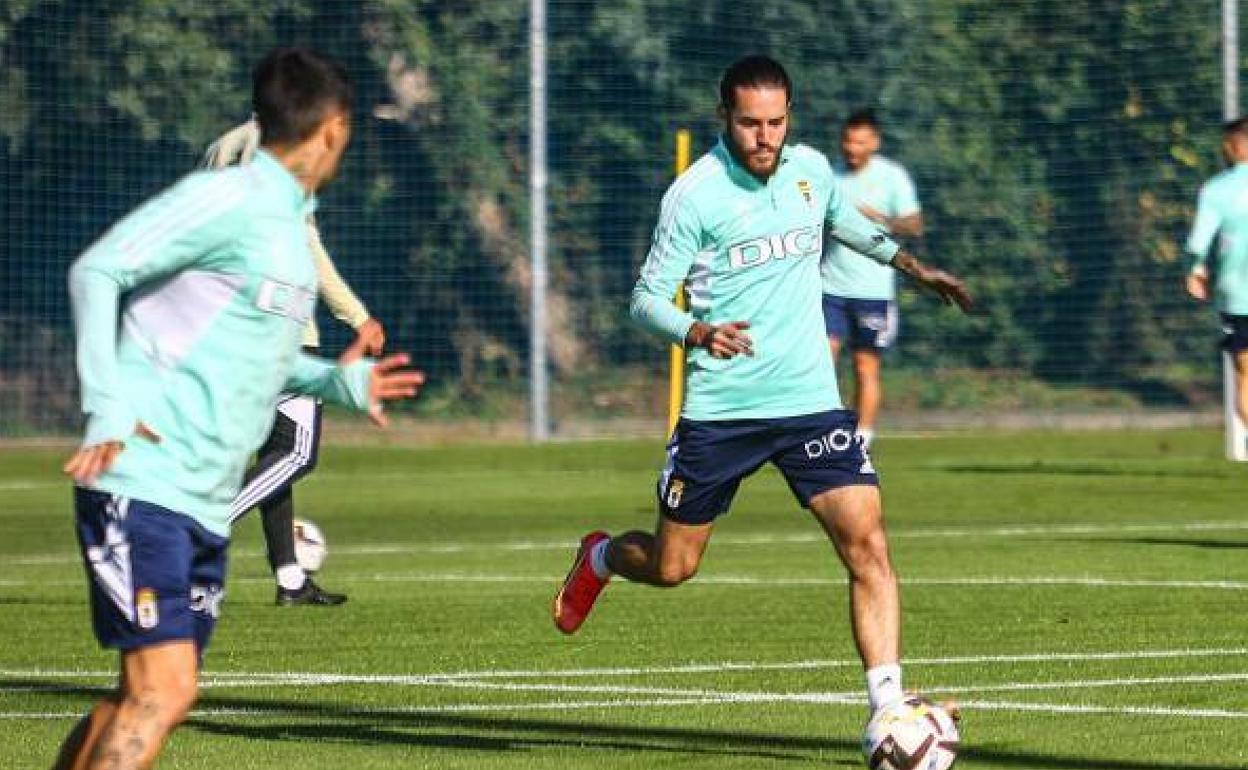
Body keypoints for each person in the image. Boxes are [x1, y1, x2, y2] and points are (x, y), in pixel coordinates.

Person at [552, 55, 972, 722]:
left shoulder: (810, 170)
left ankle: (888, 706)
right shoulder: (694, 196)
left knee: (868, 543)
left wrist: (914, 269)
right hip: (723, 411)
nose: (765, 137)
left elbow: (847, 221)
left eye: (776, 122)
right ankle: (601, 556)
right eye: (750, 123)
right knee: (672, 567)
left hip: (809, 403)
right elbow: (644, 299)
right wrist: (696, 332)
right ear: (725, 119)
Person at [54, 47, 424, 770]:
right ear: (333, 131)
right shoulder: (230, 196)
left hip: (200, 494)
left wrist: (338, 384)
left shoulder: (287, 228)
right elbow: (96, 269)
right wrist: (105, 408)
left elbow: (257, 351)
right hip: (144, 480)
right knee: (163, 691)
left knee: (142, 694)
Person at [203, 118, 386, 606]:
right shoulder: (283, 155)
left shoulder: (224, 147)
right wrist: (358, 317)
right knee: (299, 451)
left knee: (274, 455)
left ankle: (290, 579)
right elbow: (308, 248)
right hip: (279, 327)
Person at [820, 109, 923, 449]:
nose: (852, 148)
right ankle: (820, 432)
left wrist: (879, 218)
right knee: (821, 360)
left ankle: (860, 441)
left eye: (860, 142)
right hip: (829, 287)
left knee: (865, 368)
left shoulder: (892, 177)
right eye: (847, 141)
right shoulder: (829, 175)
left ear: (874, 143)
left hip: (873, 291)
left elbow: (914, 225)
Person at [1186, 116, 1248, 431]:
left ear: (1232, 146)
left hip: (1237, 293)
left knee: (1246, 371)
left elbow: (1199, 240)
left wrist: (1195, 270)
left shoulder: (1216, 189)